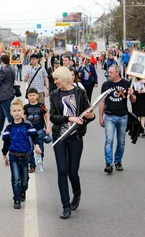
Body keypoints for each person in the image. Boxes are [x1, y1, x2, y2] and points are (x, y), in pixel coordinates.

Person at [50, 66, 95, 219]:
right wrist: (69, 118)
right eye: (54, 79)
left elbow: (88, 113)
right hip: (60, 138)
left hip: (75, 138)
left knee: (72, 172)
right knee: (62, 171)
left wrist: (90, 116)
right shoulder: (54, 95)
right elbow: (52, 117)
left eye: (56, 79)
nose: (55, 82)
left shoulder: (80, 92)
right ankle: (65, 205)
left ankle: (77, 194)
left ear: (63, 78)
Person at [2, 99, 41, 209]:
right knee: (16, 178)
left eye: (19, 110)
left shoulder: (27, 125)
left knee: (24, 180)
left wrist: (37, 145)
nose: (17, 112)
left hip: (25, 156)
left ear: (23, 111)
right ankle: (17, 198)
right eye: (14, 111)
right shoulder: (9, 128)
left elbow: (34, 136)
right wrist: (4, 155)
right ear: (11, 112)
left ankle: (23, 190)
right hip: (13, 155)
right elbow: (6, 142)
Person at [99, 65, 136, 174]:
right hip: (109, 116)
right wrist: (100, 116)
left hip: (123, 116)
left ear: (117, 73)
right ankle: (108, 164)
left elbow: (133, 100)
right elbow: (102, 101)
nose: (108, 74)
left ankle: (118, 161)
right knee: (109, 140)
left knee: (121, 141)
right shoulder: (106, 85)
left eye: (110, 72)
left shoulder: (126, 84)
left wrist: (132, 94)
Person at [23, 88, 51, 173]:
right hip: (29, 132)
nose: (32, 97)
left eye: (33, 95)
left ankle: (39, 162)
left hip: (39, 130)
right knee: (29, 149)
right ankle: (32, 165)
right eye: (30, 95)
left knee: (40, 148)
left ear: (37, 96)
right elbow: (24, 119)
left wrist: (48, 127)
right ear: (27, 96)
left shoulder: (41, 105)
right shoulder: (26, 107)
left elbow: (47, 117)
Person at [0, 55, 15, 136]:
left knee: (7, 113)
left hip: (4, 94)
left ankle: (16, 128)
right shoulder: (11, 68)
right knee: (2, 113)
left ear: (2, 61)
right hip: (9, 93)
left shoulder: (4, 70)